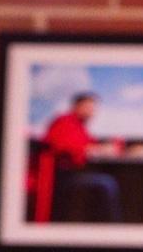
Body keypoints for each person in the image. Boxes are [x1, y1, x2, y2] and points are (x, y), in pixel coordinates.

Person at [35, 92, 122, 222]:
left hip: (74, 174)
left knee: (108, 180)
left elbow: (88, 144)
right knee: (107, 184)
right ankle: (112, 228)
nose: (92, 112)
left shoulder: (80, 126)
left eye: (93, 109)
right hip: (61, 178)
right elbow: (62, 146)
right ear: (76, 106)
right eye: (89, 108)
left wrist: (101, 148)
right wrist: (94, 149)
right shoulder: (64, 121)